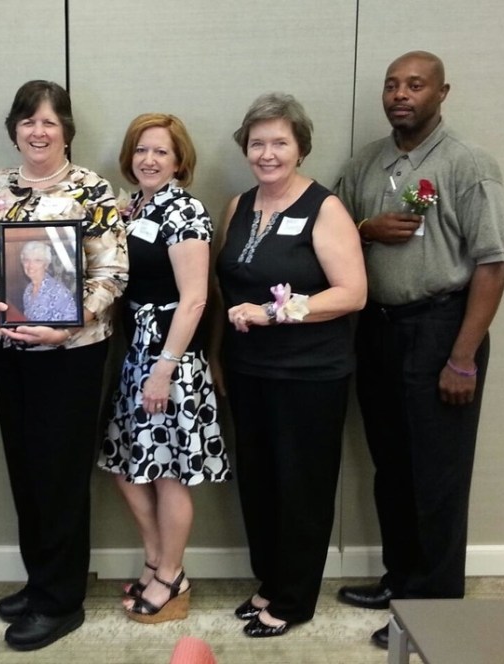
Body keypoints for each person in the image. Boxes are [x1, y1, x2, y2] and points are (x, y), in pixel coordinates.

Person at [334, 51, 504, 649]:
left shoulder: (467, 164)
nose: (400, 94)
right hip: (379, 330)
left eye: (415, 84)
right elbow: (326, 233)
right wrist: (364, 229)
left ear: (442, 93)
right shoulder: (365, 164)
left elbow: (493, 262)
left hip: (442, 330)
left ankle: (434, 610)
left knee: (437, 476)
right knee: (392, 470)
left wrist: (463, 356)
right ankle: (400, 581)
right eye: (392, 85)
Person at [0, 80, 128, 651]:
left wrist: (71, 320)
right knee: (26, 472)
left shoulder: (92, 190)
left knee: (59, 476)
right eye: (28, 120)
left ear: (66, 132)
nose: (38, 130)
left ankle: (61, 602)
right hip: (8, 350)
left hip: (71, 354)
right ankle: (40, 582)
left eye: (50, 122)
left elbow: (113, 275)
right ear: (14, 129)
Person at [213, 93, 366, 637]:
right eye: (258, 143)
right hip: (249, 372)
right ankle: (270, 581)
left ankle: (295, 599)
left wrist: (278, 313)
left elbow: (352, 294)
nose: (268, 153)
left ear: (300, 147)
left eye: (280, 142)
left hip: (310, 375)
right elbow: (224, 290)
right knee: (259, 485)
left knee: (301, 487)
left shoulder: (324, 208)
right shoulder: (238, 206)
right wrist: (218, 356)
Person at [98, 113, 228, 624]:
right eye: (141, 151)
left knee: (168, 474)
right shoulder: (133, 207)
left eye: (161, 152)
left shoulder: (186, 210)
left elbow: (196, 298)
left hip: (171, 359)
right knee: (126, 467)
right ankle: (158, 561)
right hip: (136, 353)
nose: (149, 160)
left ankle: (172, 576)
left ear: (179, 161)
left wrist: (165, 369)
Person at [20, 240, 78, 322]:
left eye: (37, 260)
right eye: (26, 260)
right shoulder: (28, 289)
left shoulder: (59, 292)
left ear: (46, 264)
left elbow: (71, 324)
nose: (30, 265)